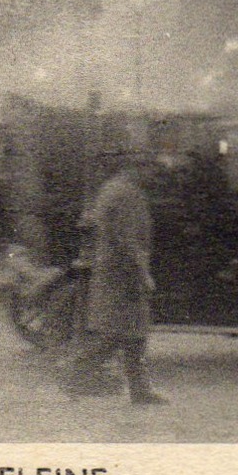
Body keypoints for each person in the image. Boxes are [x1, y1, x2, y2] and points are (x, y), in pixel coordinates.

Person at [62, 162, 168, 406]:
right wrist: (143, 273)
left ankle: (140, 389)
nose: (153, 177)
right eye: (150, 170)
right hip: (123, 272)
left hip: (116, 270)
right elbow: (128, 239)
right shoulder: (126, 194)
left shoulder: (114, 189)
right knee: (118, 333)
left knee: (134, 333)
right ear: (136, 168)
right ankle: (72, 373)